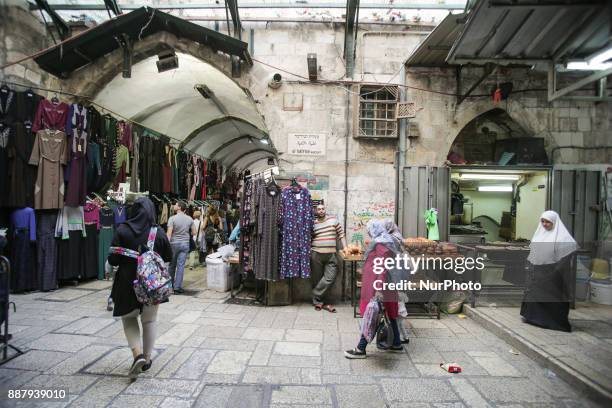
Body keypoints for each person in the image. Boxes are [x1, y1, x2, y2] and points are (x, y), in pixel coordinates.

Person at [107, 197, 172, 379]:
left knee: (129, 318)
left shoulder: (122, 230)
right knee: (149, 321)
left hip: (126, 283)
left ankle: (137, 355)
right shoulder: (158, 233)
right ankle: (148, 358)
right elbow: (169, 257)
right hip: (151, 286)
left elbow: (113, 259)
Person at [345, 219, 403, 359]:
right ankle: (396, 343)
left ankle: (361, 348)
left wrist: (378, 289)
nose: (369, 233)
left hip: (379, 287)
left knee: (371, 316)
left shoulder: (381, 244)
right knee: (389, 314)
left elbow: (381, 268)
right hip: (386, 286)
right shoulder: (385, 241)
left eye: (370, 230)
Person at [520, 211, 578, 332]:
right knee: (536, 295)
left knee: (553, 298)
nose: (545, 224)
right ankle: (534, 319)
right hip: (539, 271)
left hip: (555, 274)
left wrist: (553, 273)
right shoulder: (539, 234)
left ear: (555, 223)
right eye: (543, 221)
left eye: (548, 222)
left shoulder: (563, 238)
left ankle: (553, 322)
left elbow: (565, 259)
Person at [311, 204, 346, 312]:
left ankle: (315, 295)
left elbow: (341, 234)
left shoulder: (333, 221)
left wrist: (346, 248)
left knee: (329, 278)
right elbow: (308, 237)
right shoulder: (313, 223)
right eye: (318, 209)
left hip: (331, 254)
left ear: (325, 209)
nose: (321, 211)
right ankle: (319, 302)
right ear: (316, 211)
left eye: (322, 209)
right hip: (316, 254)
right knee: (317, 278)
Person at [167, 202, 196, 294]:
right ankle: (177, 287)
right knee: (181, 266)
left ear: (179, 207)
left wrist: (167, 244)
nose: (174, 206)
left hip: (174, 244)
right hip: (185, 244)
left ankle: (169, 287)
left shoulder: (172, 219)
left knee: (172, 265)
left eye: (175, 205)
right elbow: (194, 232)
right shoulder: (189, 219)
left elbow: (169, 233)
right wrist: (186, 234)